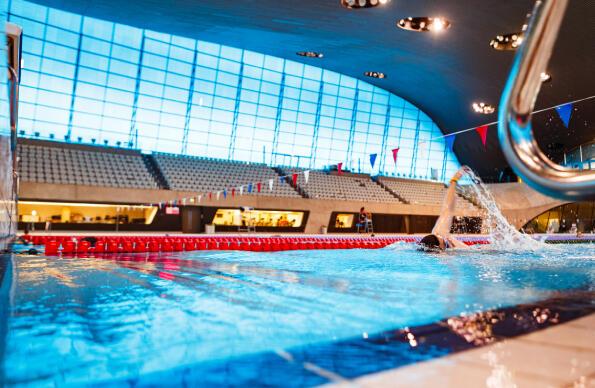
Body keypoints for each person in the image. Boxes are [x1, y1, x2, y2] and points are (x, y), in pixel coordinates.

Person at [419, 167, 470, 251]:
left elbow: (447, 207)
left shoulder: (439, 232)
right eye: (444, 243)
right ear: (440, 248)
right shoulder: (446, 255)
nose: (445, 239)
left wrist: (454, 180)